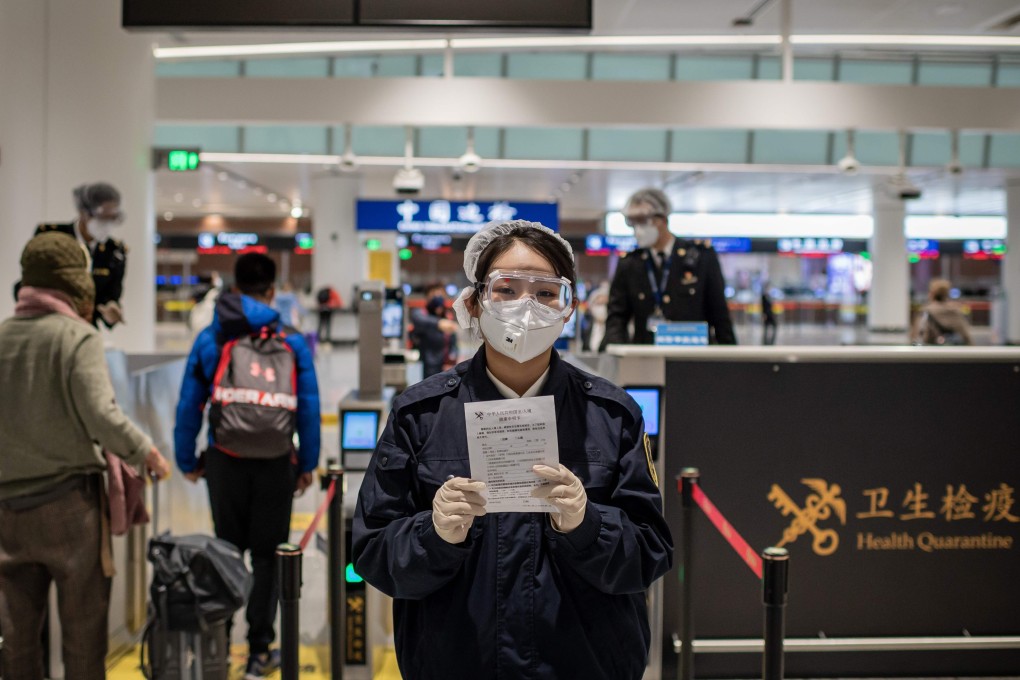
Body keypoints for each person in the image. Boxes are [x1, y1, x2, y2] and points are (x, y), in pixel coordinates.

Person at [352, 220, 673, 680]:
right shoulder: (421, 415)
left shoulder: (612, 415)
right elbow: (373, 552)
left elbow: (651, 553)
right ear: (474, 302)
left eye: (546, 293)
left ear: (568, 309)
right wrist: (434, 535)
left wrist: (588, 526)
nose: (526, 306)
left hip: (586, 665)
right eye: (506, 289)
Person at [0, 233, 170, 680]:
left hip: (7, 511)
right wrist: (146, 452)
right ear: (74, 281)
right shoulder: (77, 337)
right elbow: (101, 415)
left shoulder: (2, 337)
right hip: (69, 510)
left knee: (16, 642)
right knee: (83, 639)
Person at [174, 253, 321, 679]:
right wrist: (307, 462)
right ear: (272, 291)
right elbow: (308, 407)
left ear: (235, 289)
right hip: (276, 463)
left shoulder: (212, 338)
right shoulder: (291, 340)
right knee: (269, 558)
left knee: (225, 551)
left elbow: (190, 404)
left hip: (225, 461)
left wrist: (187, 459)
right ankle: (259, 649)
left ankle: (219, 643)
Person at [601, 187, 736, 349]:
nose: (637, 229)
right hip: (646, 356)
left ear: (662, 219)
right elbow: (616, 317)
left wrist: (730, 356)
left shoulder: (701, 257)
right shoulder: (630, 264)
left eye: (643, 221)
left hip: (692, 354)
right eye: (632, 223)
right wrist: (616, 351)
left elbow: (720, 315)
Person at [32, 182, 129, 329]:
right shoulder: (52, 237)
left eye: (112, 218)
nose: (107, 224)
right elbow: (31, 284)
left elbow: (110, 296)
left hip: (86, 329)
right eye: (102, 217)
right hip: (49, 325)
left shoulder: (114, 252)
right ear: (84, 213)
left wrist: (110, 312)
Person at [410, 282, 460, 378]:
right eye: (433, 294)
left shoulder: (447, 315)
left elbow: (452, 340)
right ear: (427, 297)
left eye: (440, 294)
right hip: (428, 365)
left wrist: (453, 356)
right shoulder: (421, 313)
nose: (437, 297)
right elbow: (419, 319)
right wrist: (439, 323)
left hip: (446, 365)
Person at [913, 278, 973, 346]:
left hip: (932, 350)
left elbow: (920, 336)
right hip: (953, 351)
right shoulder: (955, 311)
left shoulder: (926, 312)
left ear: (932, 293)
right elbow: (966, 336)